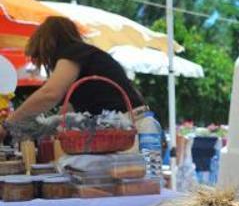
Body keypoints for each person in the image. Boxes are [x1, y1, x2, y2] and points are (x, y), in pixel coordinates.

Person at [0, 16, 146, 141]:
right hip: (129, 125)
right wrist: (43, 132)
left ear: (45, 44)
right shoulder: (85, 60)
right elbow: (64, 114)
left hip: (129, 126)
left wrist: (9, 123)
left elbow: (50, 94)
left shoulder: (72, 52)